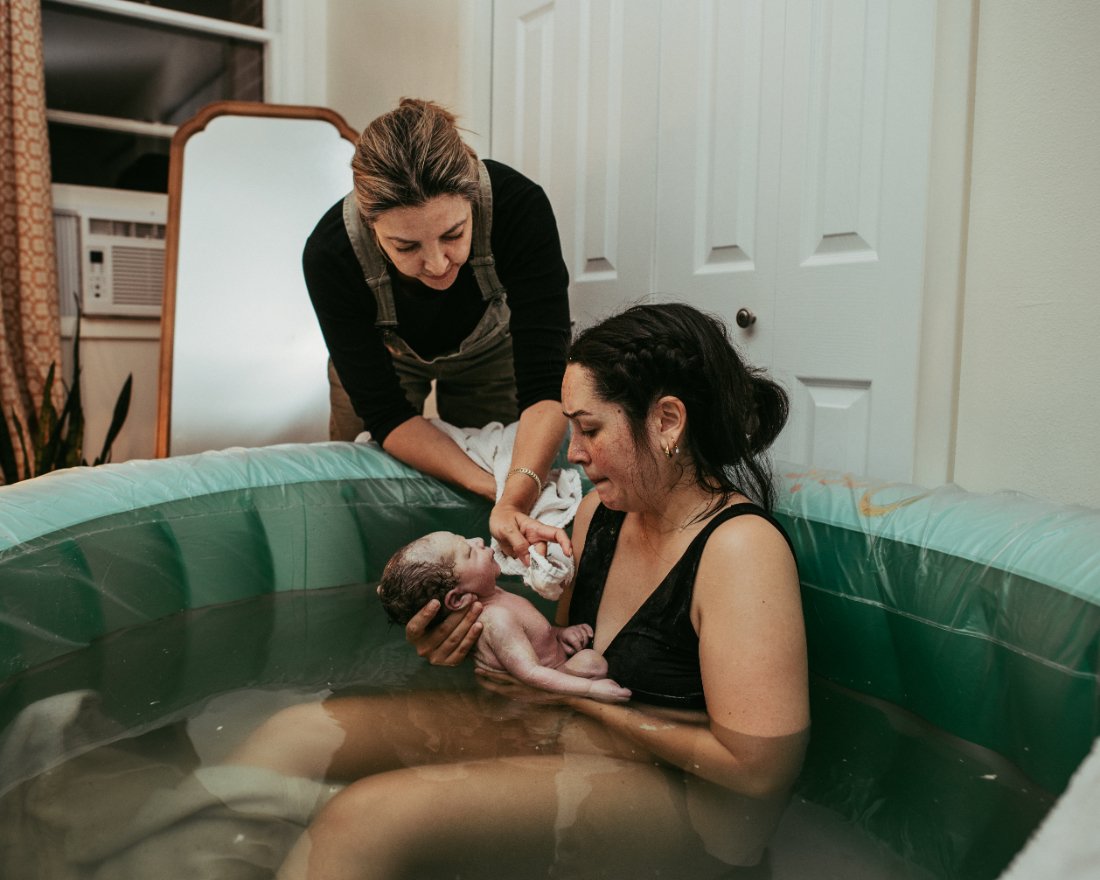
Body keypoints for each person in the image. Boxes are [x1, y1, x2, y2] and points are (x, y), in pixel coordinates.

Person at [231, 302, 809, 879]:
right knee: (297, 734)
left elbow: (756, 770)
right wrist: (469, 639)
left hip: (684, 803)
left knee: (367, 817)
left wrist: (577, 701)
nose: (573, 453)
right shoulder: (599, 515)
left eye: (589, 429)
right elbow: (552, 653)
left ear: (667, 421)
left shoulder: (739, 551)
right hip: (572, 734)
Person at [303, 97, 571, 563]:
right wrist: (490, 484)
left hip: (493, 354)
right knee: (362, 491)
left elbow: (545, 390)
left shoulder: (518, 206)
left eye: (453, 234)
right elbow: (385, 415)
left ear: (472, 199)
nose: (437, 263)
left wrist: (512, 496)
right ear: (370, 223)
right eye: (405, 246)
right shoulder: (331, 254)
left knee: (501, 473)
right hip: (384, 360)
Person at [377, 531, 631, 702]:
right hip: (546, 685)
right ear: (457, 599)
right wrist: (590, 689)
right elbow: (530, 673)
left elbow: (530, 634)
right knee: (592, 663)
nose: (478, 540)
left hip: (553, 667)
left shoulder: (494, 595)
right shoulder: (497, 620)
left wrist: (559, 634)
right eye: (469, 552)